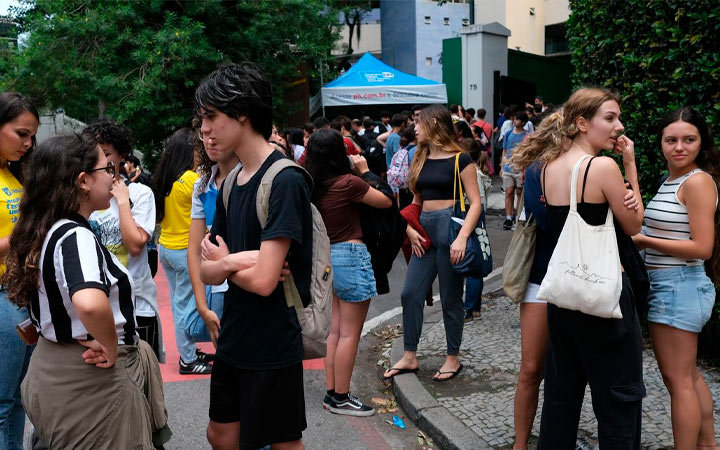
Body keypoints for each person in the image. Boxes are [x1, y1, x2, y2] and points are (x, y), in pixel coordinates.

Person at [4, 134, 171, 450]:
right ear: (83, 181)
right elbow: (90, 303)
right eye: (107, 169)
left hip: (59, 368)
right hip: (90, 377)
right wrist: (110, 345)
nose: (113, 176)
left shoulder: (47, 228)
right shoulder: (75, 236)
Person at [511, 87, 645, 449]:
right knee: (618, 400)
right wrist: (630, 167)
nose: (619, 126)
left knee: (561, 399)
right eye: (610, 118)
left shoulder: (550, 167)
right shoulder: (602, 167)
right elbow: (634, 225)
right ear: (582, 123)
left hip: (564, 296)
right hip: (604, 297)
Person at [197, 62, 310, 450]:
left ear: (242, 112)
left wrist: (227, 263)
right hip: (235, 336)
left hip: (272, 342)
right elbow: (207, 270)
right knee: (220, 435)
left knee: (282, 443)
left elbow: (264, 282)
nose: (204, 129)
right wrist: (232, 262)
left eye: (211, 116)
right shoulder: (231, 181)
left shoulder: (285, 179)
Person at [632, 108, 719, 450]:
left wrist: (645, 241)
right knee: (688, 376)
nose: (679, 147)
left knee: (679, 381)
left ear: (701, 142)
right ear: (661, 143)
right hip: (672, 286)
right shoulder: (670, 181)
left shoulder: (696, 182)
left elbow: (702, 247)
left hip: (678, 285)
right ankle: (708, 445)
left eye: (688, 140)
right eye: (671, 140)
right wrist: (629, 162)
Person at [383, 105, 482, 382]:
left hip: (451, 230)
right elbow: (416, 201)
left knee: (451, 297)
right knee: (410, 293)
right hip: (425, 232)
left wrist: (462, 238)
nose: (414, 127)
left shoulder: (461, 159)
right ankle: (409, 355)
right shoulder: (421, 157)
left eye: (419, 122)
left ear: (435, 123)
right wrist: (409, 229)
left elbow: (476, 203)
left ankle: (452, 358)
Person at [305, 129, 391, 416]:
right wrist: (366, 172)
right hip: (351, 256)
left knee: (335, 332)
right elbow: (385, 201)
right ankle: (341, 397)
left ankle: (332, 393)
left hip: (325, 259)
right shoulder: (348, 183)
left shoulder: (311, 185)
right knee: (350, 335)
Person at [85, 119, 165, 362]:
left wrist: (122, 201)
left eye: (107, 153)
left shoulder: (140, 194)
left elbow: (135, 245)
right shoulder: (83, 195)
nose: (101, 161)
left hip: (137, 305)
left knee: (141, 374)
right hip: (98, 305)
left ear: (121, 156)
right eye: (94, 154)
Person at [152, 128, 213, 375]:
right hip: (185, 250)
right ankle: (188, 360)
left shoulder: (166, 178)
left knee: (180, 304)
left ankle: (190, 352)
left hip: (167, 248)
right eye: (198, 149)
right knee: (185, 307)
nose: (201, 153)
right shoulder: (190, 180)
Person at [0, 92, 38, 450]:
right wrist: (23, 235)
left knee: (17, 398)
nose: (27, 143)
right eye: (21, 134)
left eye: (31, 136)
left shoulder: (13, 174)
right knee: (3, 401)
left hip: (20, 292)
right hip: (2, 296)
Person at [187, 127, 241, 349]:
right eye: (204, 134)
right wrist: (202, 306)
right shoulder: (202, 186)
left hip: (253, 287)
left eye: (216, 131)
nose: (209, 140)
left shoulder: (253, 178)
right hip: (219, 289)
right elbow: (194, 250)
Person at [460, 138, 491, 322]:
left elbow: (478, 202)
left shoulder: (471, 173)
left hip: (471, 219)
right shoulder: (477, 171)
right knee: (475, 261)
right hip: (477, 220)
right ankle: (475, 306)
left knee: (472, 264)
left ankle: (469, 309)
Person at [502, 111, 529, 230]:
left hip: (520, 168)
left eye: (517, 119)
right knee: (508, 192)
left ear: (523, 122)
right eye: (514, 118)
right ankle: (508, 217)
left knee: (519, 193)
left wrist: (525, 169)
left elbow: (528, 154)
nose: (514, 121)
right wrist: (502, 167)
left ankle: (518, 218)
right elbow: (504, 151)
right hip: (508, 168)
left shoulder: (527, 136)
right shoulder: (508, 133)